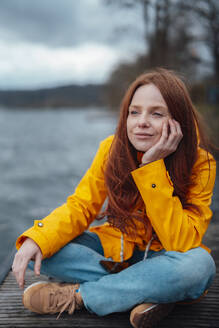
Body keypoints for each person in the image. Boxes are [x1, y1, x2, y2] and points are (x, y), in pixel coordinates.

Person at [12, 68, 216, 328]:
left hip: (167, 258)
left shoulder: (201, 163)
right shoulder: (111, 149)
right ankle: (150, 291)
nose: (141, 121)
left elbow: (181, 242)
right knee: (37, 248)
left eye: (156, 113)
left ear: (178, 121)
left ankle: (79, 297)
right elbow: (81, 206)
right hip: (115, 255)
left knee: (200, 267)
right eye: (134, 112)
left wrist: (152, 168)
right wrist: (38, 238)